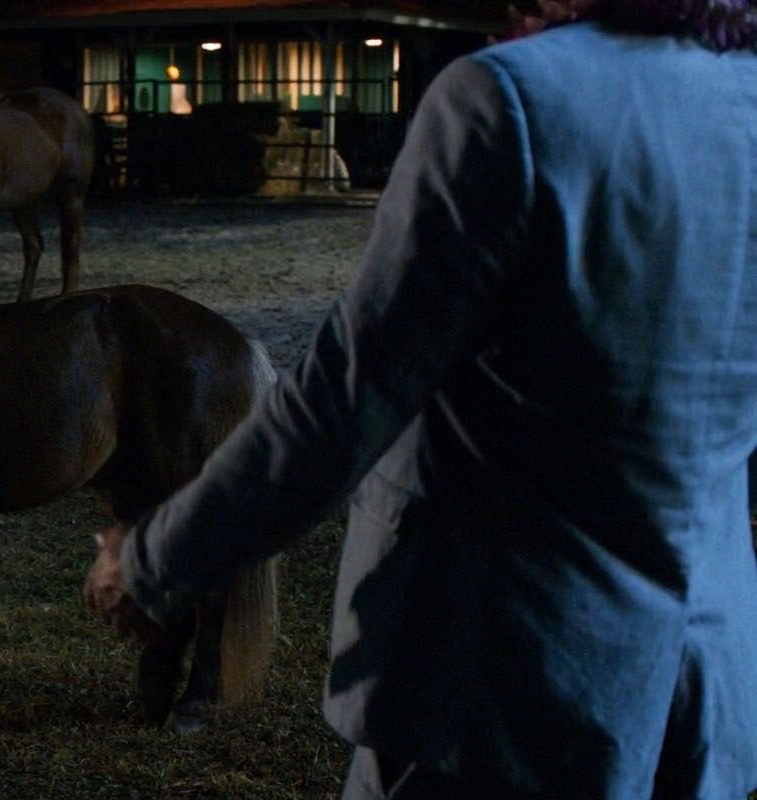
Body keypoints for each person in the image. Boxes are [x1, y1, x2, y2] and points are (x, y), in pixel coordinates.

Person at [84, 3, 757, 798]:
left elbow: (345, 400)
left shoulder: (509, 100)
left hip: (497, 688)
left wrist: (155, 562)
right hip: (698, 691)